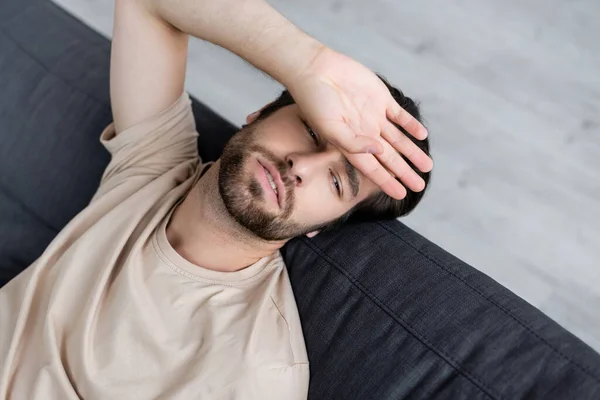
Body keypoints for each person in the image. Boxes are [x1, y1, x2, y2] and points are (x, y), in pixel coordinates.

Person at [0, 0, 433, 398]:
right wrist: (307, 63)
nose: (303, 166)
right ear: (260, 113)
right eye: (312, 131)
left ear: (322, 227)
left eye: (338, 183)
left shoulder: (258, 372)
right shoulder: (154, 165)